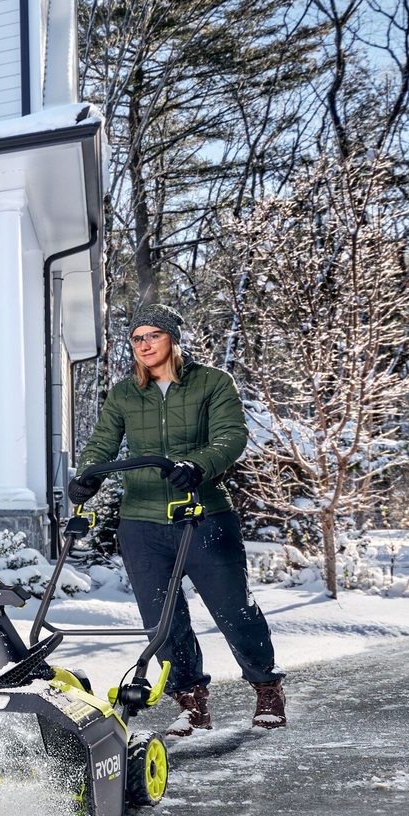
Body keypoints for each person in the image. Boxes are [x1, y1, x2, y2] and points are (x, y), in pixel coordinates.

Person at [66, 304, 286, 734]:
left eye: (153, 335)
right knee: (163, 621)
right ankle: (191, 701)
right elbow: (102, 442)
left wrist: (198, 465)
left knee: (233, 609)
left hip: (204, 516)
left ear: (173, 339)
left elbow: (231, 436)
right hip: (141, 523)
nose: (144, 344)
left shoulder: (212, 383)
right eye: (137, 338)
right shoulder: (125, 393)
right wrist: (88, 475)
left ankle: (266, 687)